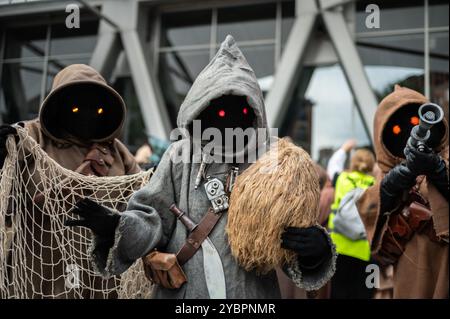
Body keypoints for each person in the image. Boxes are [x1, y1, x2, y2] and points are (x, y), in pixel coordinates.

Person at [65, 35, 336, 299]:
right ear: (200, 108)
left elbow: (285, 243)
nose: (228, 119)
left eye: (240, 112)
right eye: (219, 112)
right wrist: (115, 225)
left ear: (254, 111)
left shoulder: (273, 161)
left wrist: (315, 250)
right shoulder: (180, 156)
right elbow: (152, 218)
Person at [0, 64, 140, 298]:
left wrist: (115, 222)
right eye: (77, 107)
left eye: (95, 109)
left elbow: (143, 206)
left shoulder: (117, 153)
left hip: (99, 281)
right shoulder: (29, 137)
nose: (86, 114)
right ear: (59, 105)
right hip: (38, 274)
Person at [357, 85, 448, 298]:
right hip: (411, 269)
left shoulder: (444, 157)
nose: (410, 130)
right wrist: (393, 183)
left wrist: (438, 169)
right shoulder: (384, 173)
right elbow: (369, 212)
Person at [328, 148, 376, 299]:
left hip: (339, 247)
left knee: (338, 291)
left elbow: (333, 165)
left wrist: (344, 149)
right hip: (364, 250)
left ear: (353, 163)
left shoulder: (341, 179)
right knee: (364, 292)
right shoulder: (375, 186)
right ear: (371, 165)